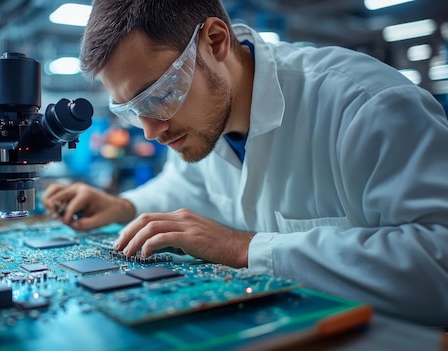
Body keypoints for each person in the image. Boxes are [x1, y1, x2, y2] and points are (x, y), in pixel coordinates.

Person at [41, 0, 448, 326]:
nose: (150, 131)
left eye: (157, 95)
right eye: (131, 110)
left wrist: (242, 247)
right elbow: (186, 190)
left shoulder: (363, 106)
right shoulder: (196, 124)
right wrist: (124, 206)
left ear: (215, 42)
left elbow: (438, 261)